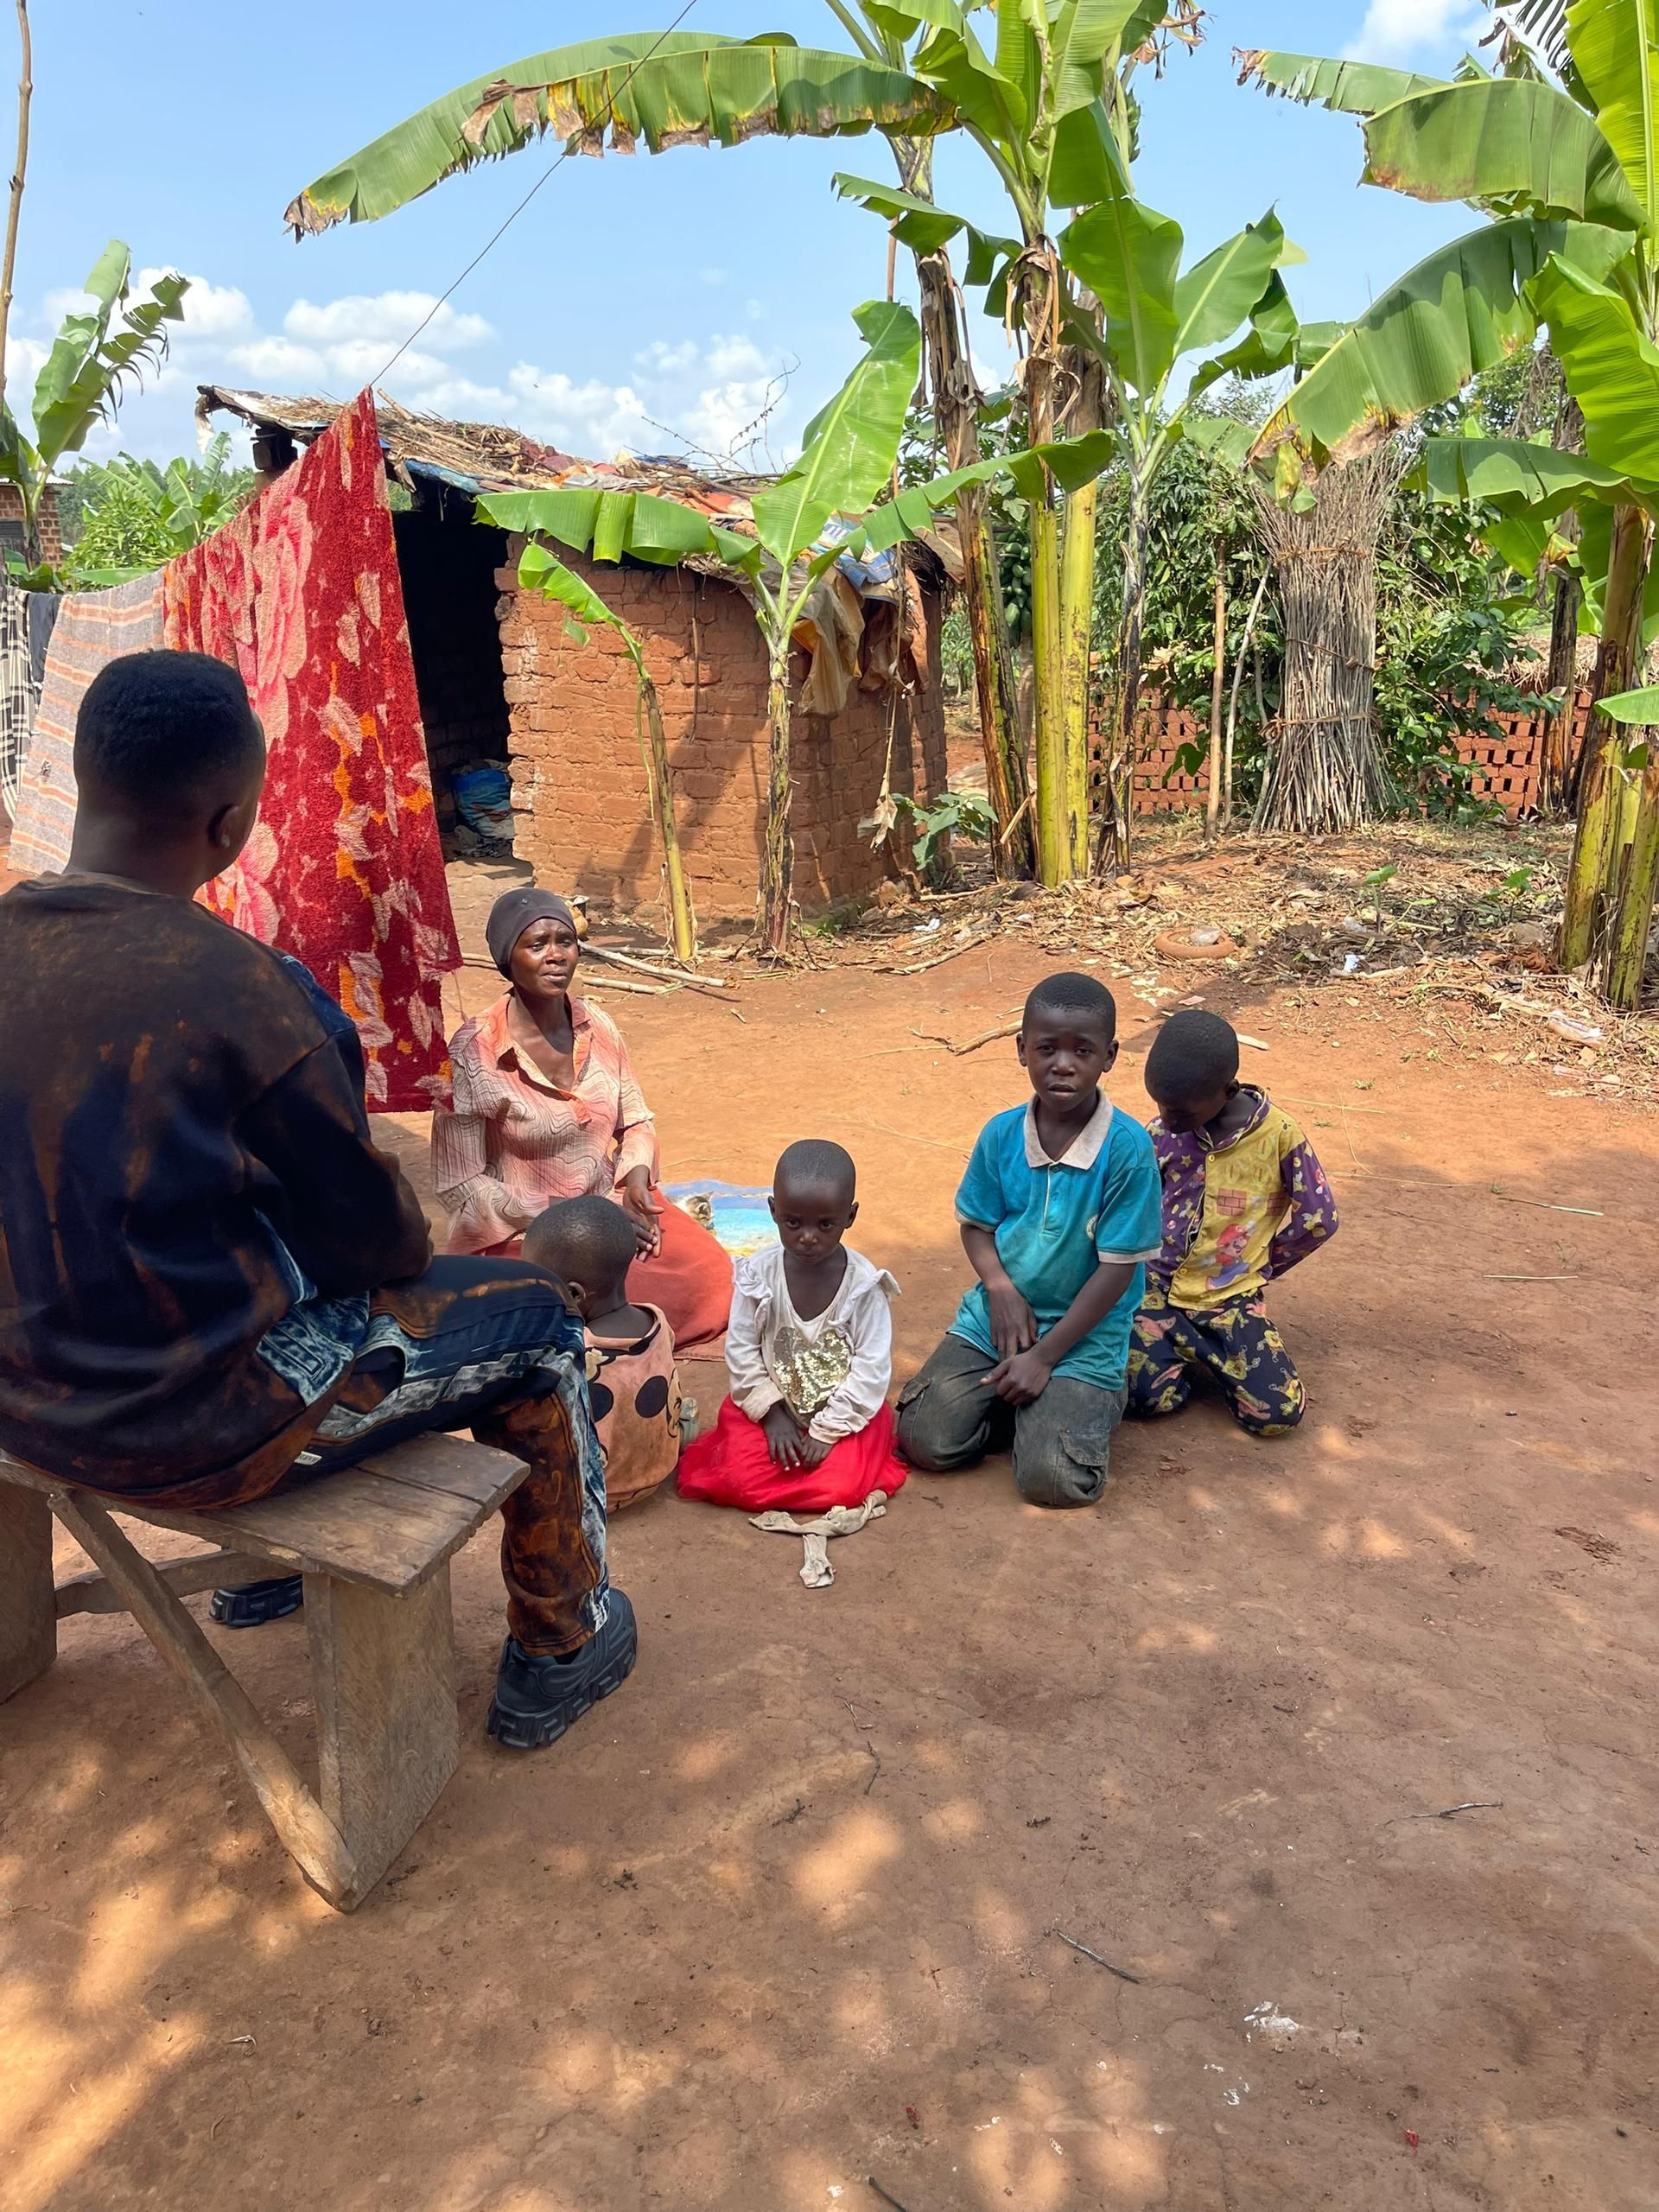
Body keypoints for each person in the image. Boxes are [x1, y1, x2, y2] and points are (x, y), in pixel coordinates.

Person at [0, 650, 634, 1752]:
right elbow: (374, 1244)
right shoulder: (248, 993)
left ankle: (257, 1583)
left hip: (21, 1394)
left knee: (313, 1309)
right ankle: (563, 1638)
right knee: (532, 1323)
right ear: (232, 820)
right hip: (196, 1430)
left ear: (84, 777)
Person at [896, 973, 1164, 1509]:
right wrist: (998, 1286)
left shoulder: (1127, 1149)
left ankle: (1084, 1400)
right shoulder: (1000, 1134)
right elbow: (976, 1223)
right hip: (998, 1323)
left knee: (1054, 1482)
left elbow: (1117, 1272)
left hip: (1082, 1339)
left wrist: (1044, 1357)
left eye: (1082, 1050)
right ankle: (1029, 1408)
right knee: (921, 1439)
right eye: (1047, 1048)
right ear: (1022, 1050)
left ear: (1109, 1057)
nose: (1062, 1064)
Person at [434, 887, 733, 1351]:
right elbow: (460, 1184)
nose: (556, 956)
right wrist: (564, 1216)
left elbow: (635, 1120)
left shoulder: (598, 1026)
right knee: (572, 1306)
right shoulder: (473, 1052)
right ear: (505, 960)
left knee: (708, 1276)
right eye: (537, 945)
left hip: (610, 1213)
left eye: (565, 941)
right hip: (526, 1233)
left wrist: (634, 1182)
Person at [1127, 1009, 1338, 1437]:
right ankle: (1183, 1360)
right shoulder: (1163, 1131)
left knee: (1276, 1414)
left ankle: (1204, 1352)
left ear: (1229, 1091)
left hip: (1229, 1299)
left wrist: (1260, 1266)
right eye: (1160, 1106)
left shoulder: (1278, 1136)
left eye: (1180, 1112)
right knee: (1139, 1397)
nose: (1167, 1118)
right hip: (1155, 1291)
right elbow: (1131, 1198)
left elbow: (1319, 1219)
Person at [677, 1140, 906, 1513]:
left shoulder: (865, 1288)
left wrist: (827, 1430)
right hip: (773, 1409)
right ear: (773, 1210)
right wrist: (772, 1415)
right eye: (793, 1222)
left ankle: (829, 1465)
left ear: (850, 1216)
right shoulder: (757, 1277)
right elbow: (741, 1351)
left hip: (842, 1415)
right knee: (735, 1476)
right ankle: (786, 1455)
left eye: (826, 1224)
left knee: (840, 1489)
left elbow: (871, 1370)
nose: (808, 1237)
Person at [522, 1195, 683, 1513]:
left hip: (595, 1495)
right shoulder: (657, 1320)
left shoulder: (574, 1353)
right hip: (658, 1471)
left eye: (536, 1283)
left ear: (574, 1294)